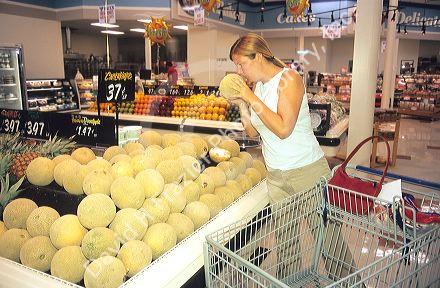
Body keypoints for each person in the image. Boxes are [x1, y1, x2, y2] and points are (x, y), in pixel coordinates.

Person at [229, 33, 358, 281]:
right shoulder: (258, 86)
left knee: (329, 241)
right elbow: (254, 131)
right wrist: (243, 105)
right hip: (276, 176)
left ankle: (349, 283)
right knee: (286, 246)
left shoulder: (289, 79)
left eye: (241, 63)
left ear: (257, 56)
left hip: (307, 172)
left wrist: (249, 97)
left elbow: (283, 128)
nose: (239, 70)